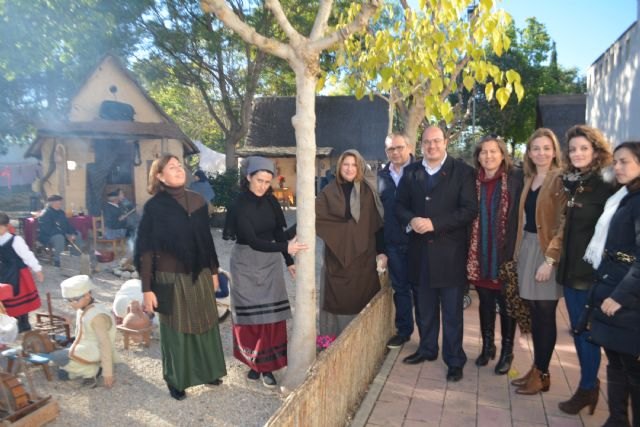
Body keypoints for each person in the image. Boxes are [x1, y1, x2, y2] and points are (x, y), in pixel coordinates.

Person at [134, 154, 226, 400]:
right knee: (176, 328)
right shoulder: (154, 207)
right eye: (172, 167)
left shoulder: (197, 200)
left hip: (201, 272)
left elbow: (207, 241)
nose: (179, 169)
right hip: (169, 276)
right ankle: (177, 379)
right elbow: (145, 250)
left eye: (180, 166)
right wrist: (147, 288)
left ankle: (209, 371)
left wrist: (214, 272)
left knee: (205, 322)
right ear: (160, 176)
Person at [395, 126, 478, 382]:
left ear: (445, 142)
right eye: (427, 142)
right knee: (425, 308)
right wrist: (413, 220)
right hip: (419, 254)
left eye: (436, 141)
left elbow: (468, 210)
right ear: (421, 145)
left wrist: (435, 223)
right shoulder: (411, 172)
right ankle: (427, 348)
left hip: (450, 255)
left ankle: (454, 360)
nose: (432, 146)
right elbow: (399, 205)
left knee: (452, 312)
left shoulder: (463, 172)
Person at [224, 156, 307, 388]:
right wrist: (286, 247)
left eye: (267, 181)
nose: (263, 186)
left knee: (272, 317)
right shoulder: (239, 205)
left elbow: (279, 233)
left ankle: (268, 367)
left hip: (269, 263)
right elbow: (252, 240)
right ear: (248, 177)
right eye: (259, 180)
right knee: (250, 318)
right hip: (245, 263)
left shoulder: (271, 202)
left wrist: (288, 260)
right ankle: (254, 363)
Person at [555, 125, 614, 414]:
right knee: (579, 331)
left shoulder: (608, 182)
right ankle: (588, 385)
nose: (577, 153)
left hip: (591, 273)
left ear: (596, 150)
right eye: (573, 149)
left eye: (583, 148)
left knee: (586, 332)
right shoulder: (574, 181)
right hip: (570, 269)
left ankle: (588, 387)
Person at [584, 141, 640, 427]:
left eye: (625, 162)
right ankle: (617, 420)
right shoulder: (624, 196)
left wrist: (620, 296)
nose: (617, 167)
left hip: (628, 299)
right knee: (616, 364)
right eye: (616, 161)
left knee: (632, 369)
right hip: (611, 287)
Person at [510, 128, 567, 395]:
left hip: (547, 252)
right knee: (534, 310)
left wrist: (551, 260)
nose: (541, 152)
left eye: (546, 148)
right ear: (529, 153)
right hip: (529, 247)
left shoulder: (560, 179)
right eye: (536, 148)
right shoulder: (530, 178)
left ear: (554, 151)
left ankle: (543, 373)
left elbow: (565, 222)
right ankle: (536, 369)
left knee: (545, 315)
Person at [466, 135, 523, 375]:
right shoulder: (472, 181)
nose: (488, 156)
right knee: (485, 302)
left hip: (504, 253)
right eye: (483, 152)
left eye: (493, 152)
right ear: (478, 157)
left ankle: (507, 351)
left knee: (507, 304)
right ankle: (487, 346)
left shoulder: (515, 180)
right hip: (479, 253)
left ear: (502, 154)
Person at [317, 149, 384, 337]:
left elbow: (376, 224)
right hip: (336, 255)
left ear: (360, 167)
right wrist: (292, 234)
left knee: (361, 296)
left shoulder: (368, 191)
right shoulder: (329, 190)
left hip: (364, 257)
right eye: (345, 164)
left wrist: (381, 251)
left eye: (354, 164)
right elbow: (313, 215)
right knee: (337, 298)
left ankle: (362, 338)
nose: (349, 168)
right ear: (339, 167)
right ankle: (333, 338)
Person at [377, 133, 416, 349]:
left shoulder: (421, 171)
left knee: (421, 290)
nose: (396, 152)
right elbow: (378, 215)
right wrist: (381, 248)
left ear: (409, 147)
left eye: (399, 147)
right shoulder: (381, 176)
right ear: (386, 152)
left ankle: (428, 338)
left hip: (419, 242)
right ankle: (404, 331)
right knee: (400, 289)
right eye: (391, 149)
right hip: (393, 243)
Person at [52, 275, 117, 388]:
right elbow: (85, 324)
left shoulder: (97, 316)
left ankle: (92, 370)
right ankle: (87, 367)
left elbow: (105, 344)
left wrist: (108, 373)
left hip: (95, 349)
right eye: (67, 300)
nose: (71, 304)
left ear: (87, 295)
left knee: (57, 357)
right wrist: (72, 322)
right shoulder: (83, 307)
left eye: (74, 300)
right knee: (62, 375)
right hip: (84, 345)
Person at [0, 212, 43, 332]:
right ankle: (13, 324)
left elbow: (27, 255)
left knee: (21, 299)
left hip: (19, 273)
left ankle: (24, 324)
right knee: (8, 298)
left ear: (6, 226)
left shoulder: (16, 240)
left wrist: (37, 269)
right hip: (4, 273)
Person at [38, 194, 83, 266]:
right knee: (59, 238)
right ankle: (58, 260)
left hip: (61, 234)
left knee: (78, 234)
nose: (60, 204)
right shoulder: (45, 213)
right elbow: (48, 229)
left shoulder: (61, 212)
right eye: (59, 203)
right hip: (48, 236)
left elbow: (67, 225)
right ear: (52, 203)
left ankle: (75, 257)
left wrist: (72, 233)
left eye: (60, 202)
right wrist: (65, 235)